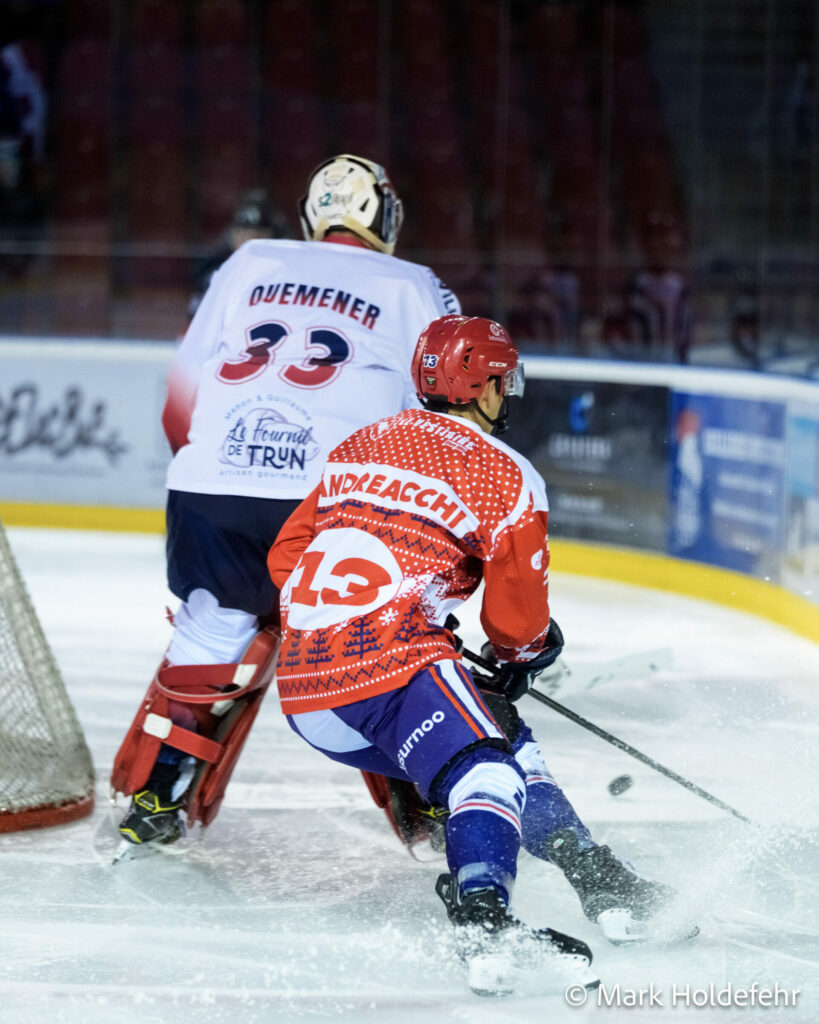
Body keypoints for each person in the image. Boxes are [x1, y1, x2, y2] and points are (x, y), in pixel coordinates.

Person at [265, 315, 679, 995]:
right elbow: (517, 623)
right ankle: (485, 922)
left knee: (500, 736)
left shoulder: (364, 442)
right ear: (482, 385)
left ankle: (598, 878)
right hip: (390, 665)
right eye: (502, 380)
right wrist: (521, 655)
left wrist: (393, 618)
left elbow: (287, 558)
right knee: (487, 771)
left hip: (306, 690)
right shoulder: (503, 473)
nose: (507, 392)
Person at [110, 155, 461, 852]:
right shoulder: (413, 284)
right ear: (386, 217)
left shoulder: (247, 262)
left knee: (211, 633)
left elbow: (183, 391)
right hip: (329, 501)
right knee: (375, 643)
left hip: (211, 485)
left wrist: (211, 468)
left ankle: (158, 794)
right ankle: (425, 798)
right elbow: (444, 408)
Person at [187, 188, 290, 319]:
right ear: (232, 235)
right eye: (243, 235)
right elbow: (196, 319)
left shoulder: (285, 274)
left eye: (258, 235)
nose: (250, 242)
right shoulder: (216, 273)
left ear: (271, 237)